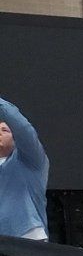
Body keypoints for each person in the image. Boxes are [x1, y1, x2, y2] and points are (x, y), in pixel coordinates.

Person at [0, 96, 50, 240]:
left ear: (16, 140)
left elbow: (22, 128)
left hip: (27, 241)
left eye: (5, 130)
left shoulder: (30, 160)